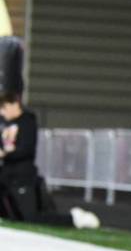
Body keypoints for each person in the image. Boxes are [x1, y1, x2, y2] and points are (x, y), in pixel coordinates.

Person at [0, 92, 99, 228]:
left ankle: (74, 219)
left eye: (3, 107)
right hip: (6, 177)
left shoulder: (27, 122)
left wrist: (4, 154)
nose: (1, 112)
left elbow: (25, 150)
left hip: (22, 179)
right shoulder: (7, 124)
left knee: (30, 218)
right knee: (12, 216)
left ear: (15, 104)